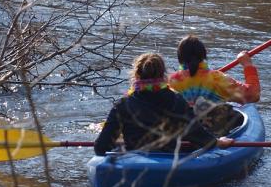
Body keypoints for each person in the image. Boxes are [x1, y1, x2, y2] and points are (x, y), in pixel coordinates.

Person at [94, 52, 234, 156]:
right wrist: (217, 142)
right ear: (163, 75)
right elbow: (194, 132)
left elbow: (100, 147)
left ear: (136, 75)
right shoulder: (176, 100)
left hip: (134, 159)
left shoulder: (123, 105)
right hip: (167, 159)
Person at [168, 35, 261, 137]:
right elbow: (253, 95)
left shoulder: (171, 82)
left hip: (184, 135)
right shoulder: (216, 78)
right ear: (203, 55)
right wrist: (247, 65)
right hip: (213, 136)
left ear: (179, 58)